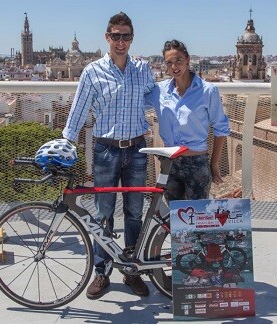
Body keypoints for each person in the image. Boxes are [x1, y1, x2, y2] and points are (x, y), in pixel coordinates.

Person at [62, 12, 155, 300]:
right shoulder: (92, 71)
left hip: (138, 149)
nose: (121, 41)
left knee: (134, 214)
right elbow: (78, 111)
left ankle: (132, 272)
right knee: (103, 214)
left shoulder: (143, 69)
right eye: (116, 35)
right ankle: (102, 273)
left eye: (126, 36)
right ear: (107, 37)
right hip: (105, 150)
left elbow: (159, 99)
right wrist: (66, 143)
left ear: (132, 38)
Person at [146, 39, 230, 202]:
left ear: (187, 60)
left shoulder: (208, 91)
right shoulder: (159, 90)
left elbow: (221, 128)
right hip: (169, 164)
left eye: (178, 60)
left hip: (197, 163)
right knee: (172, 219)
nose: (174, 67)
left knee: (197, 219)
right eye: (169, 63)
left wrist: (214, 164)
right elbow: (133, 102)